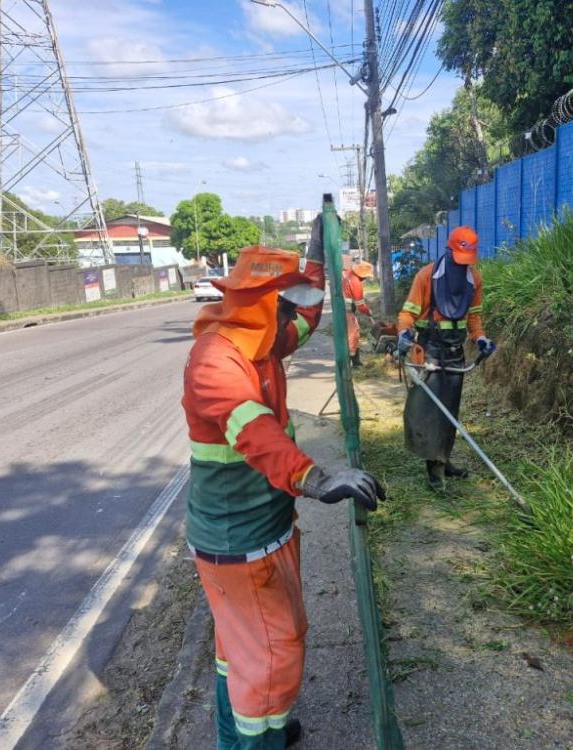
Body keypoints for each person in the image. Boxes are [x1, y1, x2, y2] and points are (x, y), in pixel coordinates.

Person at [182, 221, 385, 750]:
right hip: (240, 543)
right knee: (274, 655)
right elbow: (259, 437)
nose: (294, 316)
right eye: (285, 305)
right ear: (261, 306)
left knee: (242, 650)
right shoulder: (216, 363)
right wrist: (319, 479)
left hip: (259, 532)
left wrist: (315, 260)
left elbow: (311, 316)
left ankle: (253, 728)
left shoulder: (260, 342)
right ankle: (258, 736)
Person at [396, 225, 497, 490]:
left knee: (450, 409)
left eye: (468, 260)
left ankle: (445, 458)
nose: (463, 265)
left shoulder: (473, 279)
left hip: (455, 352)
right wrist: (405, 332)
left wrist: (481, 339)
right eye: (459, 258)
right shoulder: (427, 276)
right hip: (430, 348)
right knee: (429, 410)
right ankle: (434, 469)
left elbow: (474, 317)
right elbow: (408, 313)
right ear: (449, 251)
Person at [342, 259, 374, 367]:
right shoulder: (355, 282)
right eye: (366, 276)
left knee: (348, 335)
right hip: (347, 312)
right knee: (353, 335)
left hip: (342, 311)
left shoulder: (348, 275)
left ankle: (355, 361)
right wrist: (369, 312)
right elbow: (360, 306)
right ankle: (352, 361)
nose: (365, 279)